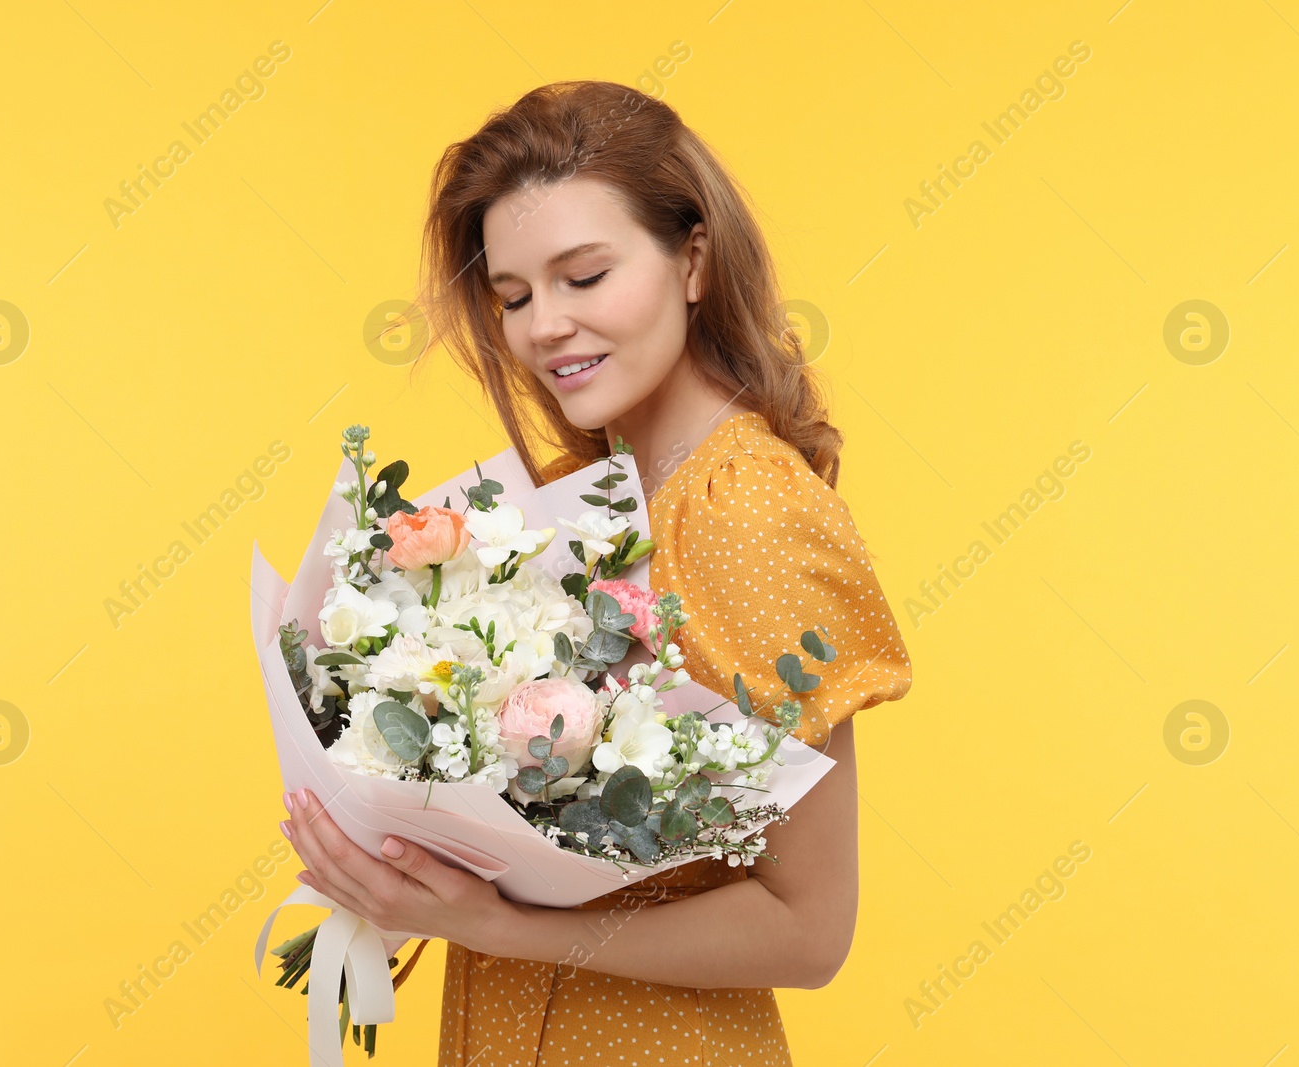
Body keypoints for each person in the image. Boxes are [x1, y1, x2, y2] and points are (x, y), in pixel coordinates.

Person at [281, 79, 913, 1066]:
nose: (544, 328)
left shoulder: (744, 505)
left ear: (692, 258)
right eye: (516, 296)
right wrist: (400, 853)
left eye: (585, 276)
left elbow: (808, 925)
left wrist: (498, 923)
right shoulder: (588, 505)